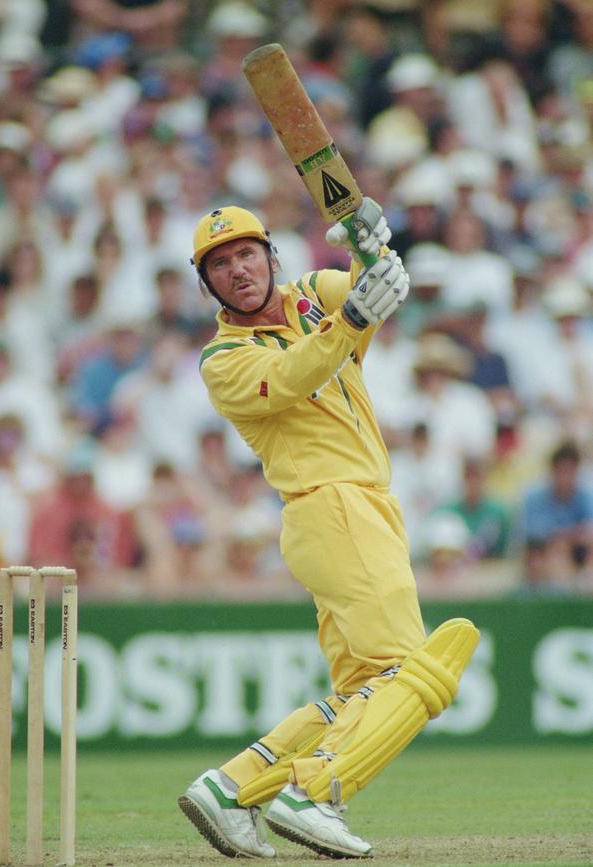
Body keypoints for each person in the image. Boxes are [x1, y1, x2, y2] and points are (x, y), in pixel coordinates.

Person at [177, 202, 480, 859]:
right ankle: (317, 792)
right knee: (407, 672)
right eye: (220, 265)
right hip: (330, 505)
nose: (237, 270)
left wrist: (372, 246)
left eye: (246, 254)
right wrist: (354, 316)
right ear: (207, 286)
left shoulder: (314, 292)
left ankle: (233, 787)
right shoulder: (223, 359)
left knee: (358, 692)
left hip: (362, 506)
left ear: (271, 255)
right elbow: (293, 374)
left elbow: (378, 287)